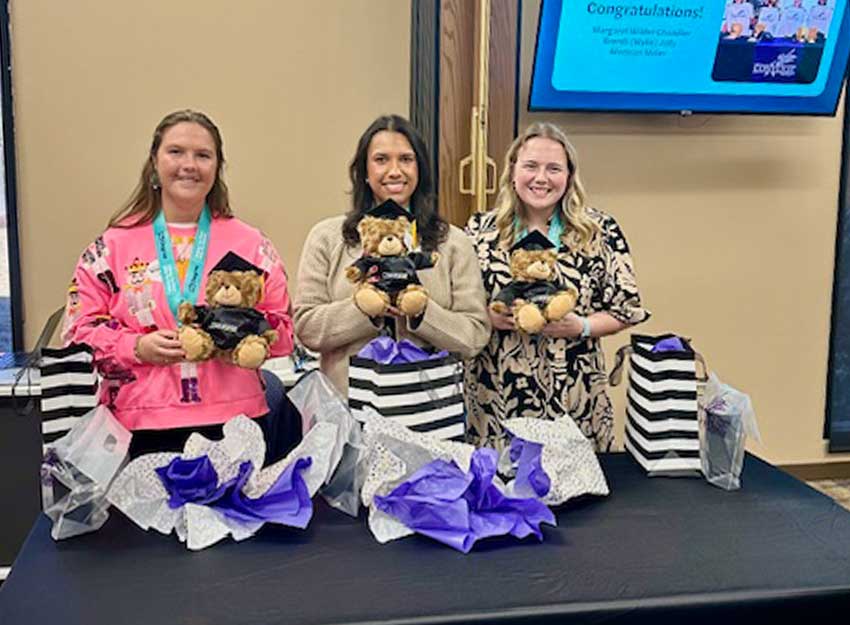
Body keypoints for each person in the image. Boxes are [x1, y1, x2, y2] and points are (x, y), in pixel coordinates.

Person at [62, 110, 296, 461]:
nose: (189, 164)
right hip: (138, 425)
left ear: (217, 169)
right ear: (154, 163)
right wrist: (135, 346)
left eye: (203, 155)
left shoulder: (250, 245)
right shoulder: (111, 246)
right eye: (176, 152)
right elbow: (77, 333)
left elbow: (285, 334)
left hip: (237, 421)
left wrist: (238, 335)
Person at [464, 123, 650, 452]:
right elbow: (459, 303)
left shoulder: (598, 231)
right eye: (531, 166)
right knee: (499, 497)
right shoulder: (480, 230)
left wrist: (582, 326)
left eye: (554, 169)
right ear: (512, 170)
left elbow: (627, 309)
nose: (541, 178)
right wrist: (486, 317)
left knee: (577, 500)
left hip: (574, 395)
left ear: (569, 176)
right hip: (495, 397)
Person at [294, 114, 490, 395]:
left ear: (420, 169)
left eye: (406, 159)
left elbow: (474, 335)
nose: (395, 171)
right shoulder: (327, 237)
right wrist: (363, 309)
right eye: (381, 159)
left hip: (428, 408)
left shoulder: (453, 243)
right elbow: (307, 328)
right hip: (347, 407)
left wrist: (422, 313)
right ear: (364, 170)